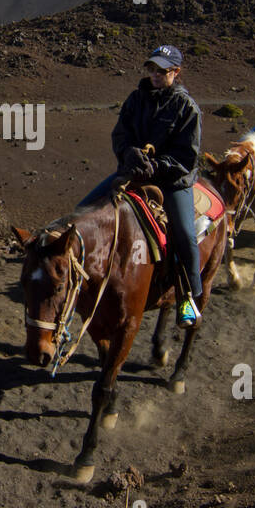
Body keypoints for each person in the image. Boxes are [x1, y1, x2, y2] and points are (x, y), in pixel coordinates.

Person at [78, 45, 203, 327]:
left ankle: (190, 297)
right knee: (83, 210)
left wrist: (158, 166)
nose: (156, 75)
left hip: (173, 180)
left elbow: (187, 156)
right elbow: (120, 134)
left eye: (162, 70)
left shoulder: (187, 108)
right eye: (152, 69)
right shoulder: (136, 99)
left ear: (176, 72)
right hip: (135, 171)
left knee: (184, 234)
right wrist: (128, 153)